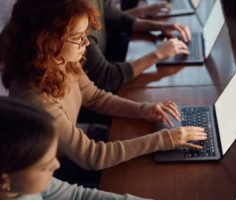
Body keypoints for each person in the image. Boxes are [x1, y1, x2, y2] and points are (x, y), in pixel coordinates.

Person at [0, 0, 206, 185]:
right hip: (58, 173)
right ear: (49, 41)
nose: (87, 43)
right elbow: (93, 156)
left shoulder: (61, 61)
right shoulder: (36, 99)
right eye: (79, 38)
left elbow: (95, 96)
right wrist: (163, 140)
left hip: (78, 147)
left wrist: (145, 110)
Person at [0, 97, 148, 200]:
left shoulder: (20, 184)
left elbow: (77, 195)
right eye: (44, 167)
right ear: (4, 180)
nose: (56, 165)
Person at [86, 0, 191, 92]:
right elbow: (107, 78)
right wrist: (159, 54)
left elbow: (120, 20)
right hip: (105, 90)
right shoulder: (80, 23)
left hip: (114, 60)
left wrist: (161, 27)